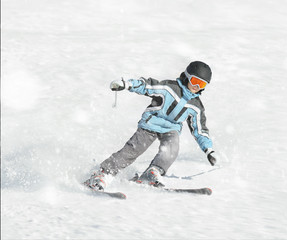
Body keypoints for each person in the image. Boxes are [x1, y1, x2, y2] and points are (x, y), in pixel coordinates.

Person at [84, 61, 218, 191]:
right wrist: (126, 84)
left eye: (201, 84)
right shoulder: (168, 88)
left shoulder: (196, 106)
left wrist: (209, 150)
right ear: (187, 77)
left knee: (172, 150)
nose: (197, 86)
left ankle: (153, 172)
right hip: (150, 124)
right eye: (195, 81)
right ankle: (103, 173)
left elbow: (200, 130)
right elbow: (146, 86)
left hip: (171, 130)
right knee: (133, 150)